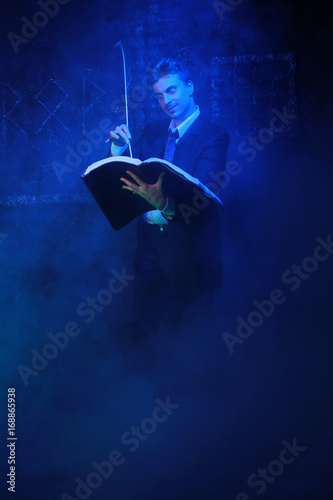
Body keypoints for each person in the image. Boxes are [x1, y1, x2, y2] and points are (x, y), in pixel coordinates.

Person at [108, 58, 229, 339]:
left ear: (190, 87)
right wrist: (116, 148)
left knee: (192, 337)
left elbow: (205, 198)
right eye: (159, 95)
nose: (166, 101)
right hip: (150, 250)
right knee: (144, 333)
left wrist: (163, 203)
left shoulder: (215, 136)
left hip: (193, 253)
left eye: (172, 91)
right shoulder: (152, 131)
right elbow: (125, 177)